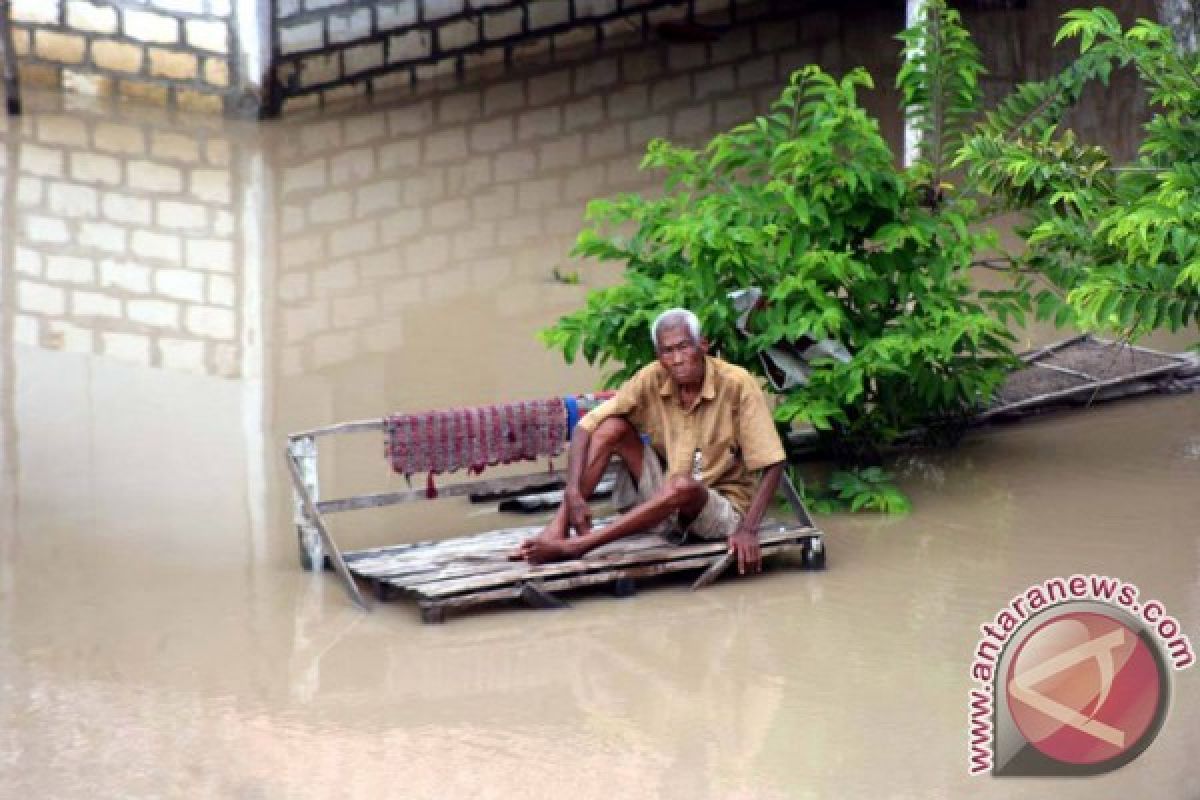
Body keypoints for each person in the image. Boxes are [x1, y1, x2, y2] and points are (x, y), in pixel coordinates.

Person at [513, 308, 787, 573]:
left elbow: (773, 462)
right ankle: (558, 527)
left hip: (718, 508)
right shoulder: (652, 377)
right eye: (668, 351)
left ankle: (578, 546)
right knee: (612, 428)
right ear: (659, 356)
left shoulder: (737, 384)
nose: (677, 359)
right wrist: (572, 493)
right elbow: (586, 427)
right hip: (666, 493)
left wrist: (749, 531)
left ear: (702, 345)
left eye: (684, 347)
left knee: (682, 486)